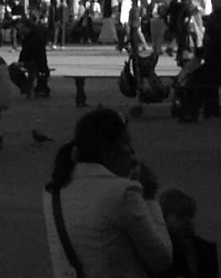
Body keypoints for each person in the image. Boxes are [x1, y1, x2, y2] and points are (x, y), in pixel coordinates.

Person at [41, 107, 174, 278]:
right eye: (126, 143)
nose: (132, 151)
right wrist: (149, 199)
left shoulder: (53, 192)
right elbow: (161, 259)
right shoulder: (123, 192)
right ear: (108, 150)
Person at [159, 188, 220, 278]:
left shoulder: (206, 250)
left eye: (190, 215)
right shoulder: (160, 250)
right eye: (181, 215)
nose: (187, 221)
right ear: (164, 218)